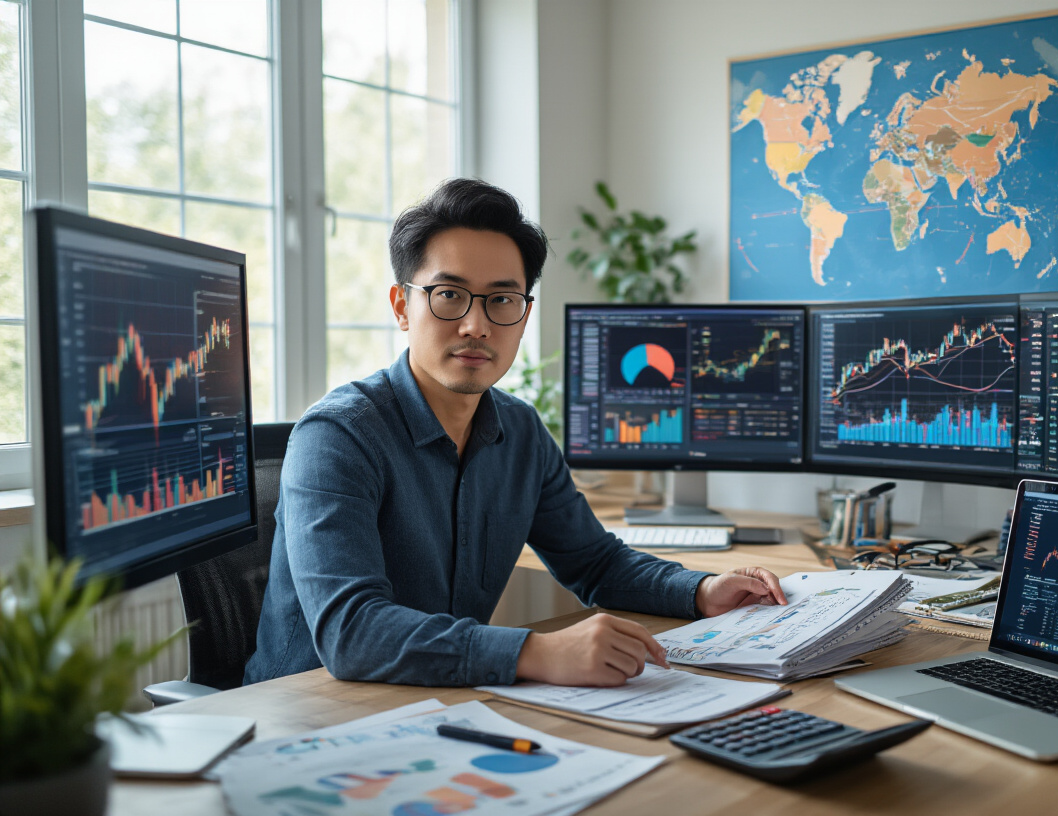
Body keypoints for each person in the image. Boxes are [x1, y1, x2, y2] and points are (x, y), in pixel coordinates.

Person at [244, 178, 786, 689]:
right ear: (401, 307)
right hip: (305, 715)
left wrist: (702, 591)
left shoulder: (520, 430)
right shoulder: (339, 436)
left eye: (502, 300)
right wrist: (539, 653)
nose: (476, 325)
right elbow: (352, 633)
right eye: (449, 295)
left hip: (438, 700)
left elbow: (596, 563)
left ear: (523, 314)